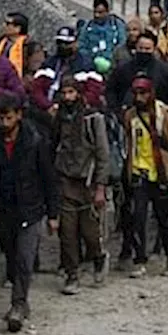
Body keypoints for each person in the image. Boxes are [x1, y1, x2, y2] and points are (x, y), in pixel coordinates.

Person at [0, 93, 59, 332]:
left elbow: (48, 177)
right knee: (10, 252)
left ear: (18, 115)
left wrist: (53, 213)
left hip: (30, 207)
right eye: (0, 117)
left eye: (8, 117)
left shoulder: (35, 140)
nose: (4, 122)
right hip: (3, 208)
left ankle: (19, 303)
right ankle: (19, 299)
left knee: (25, 258)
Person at [119, 75, 168, 277]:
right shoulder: (130, 116)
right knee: (137, 218)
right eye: (136, 93)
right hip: (139, 173)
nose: (139, 98)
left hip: (162, 174)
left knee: (165, 219)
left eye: (143, 93)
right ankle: (140, 259)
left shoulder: (165, 115)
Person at [51, 75, 111, 295]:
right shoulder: (59, 118)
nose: (67, 97)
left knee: (89, 233)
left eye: (71, 93)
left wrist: (101, 186)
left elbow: (102, 154)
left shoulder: (92, 119)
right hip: (65, 180)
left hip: (88, 181)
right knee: (67, 233)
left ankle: (98, 257)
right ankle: (72, 274)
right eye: (64, 93)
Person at [109, 30, 168, 113]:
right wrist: (116, 109)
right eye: (140, 48)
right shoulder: (122, 69)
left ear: (154, 49)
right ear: (136, 47)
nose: (143, 51)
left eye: (147, 49)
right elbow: (111, 90)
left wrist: (165, 110)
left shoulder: (166, 72)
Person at [78, 0, 127, 69]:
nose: (97, 15)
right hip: (92, 64)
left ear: (107, 12)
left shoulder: (117, 25)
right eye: (95, 12)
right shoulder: (87, 27)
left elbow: (122, 43)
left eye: (100, 12)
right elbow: (82, 45)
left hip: (113, 65)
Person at [0, 12, 31, 77]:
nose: (4, 25)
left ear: (18, 28)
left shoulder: (28, 45)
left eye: (8, 24)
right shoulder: (0, 41)